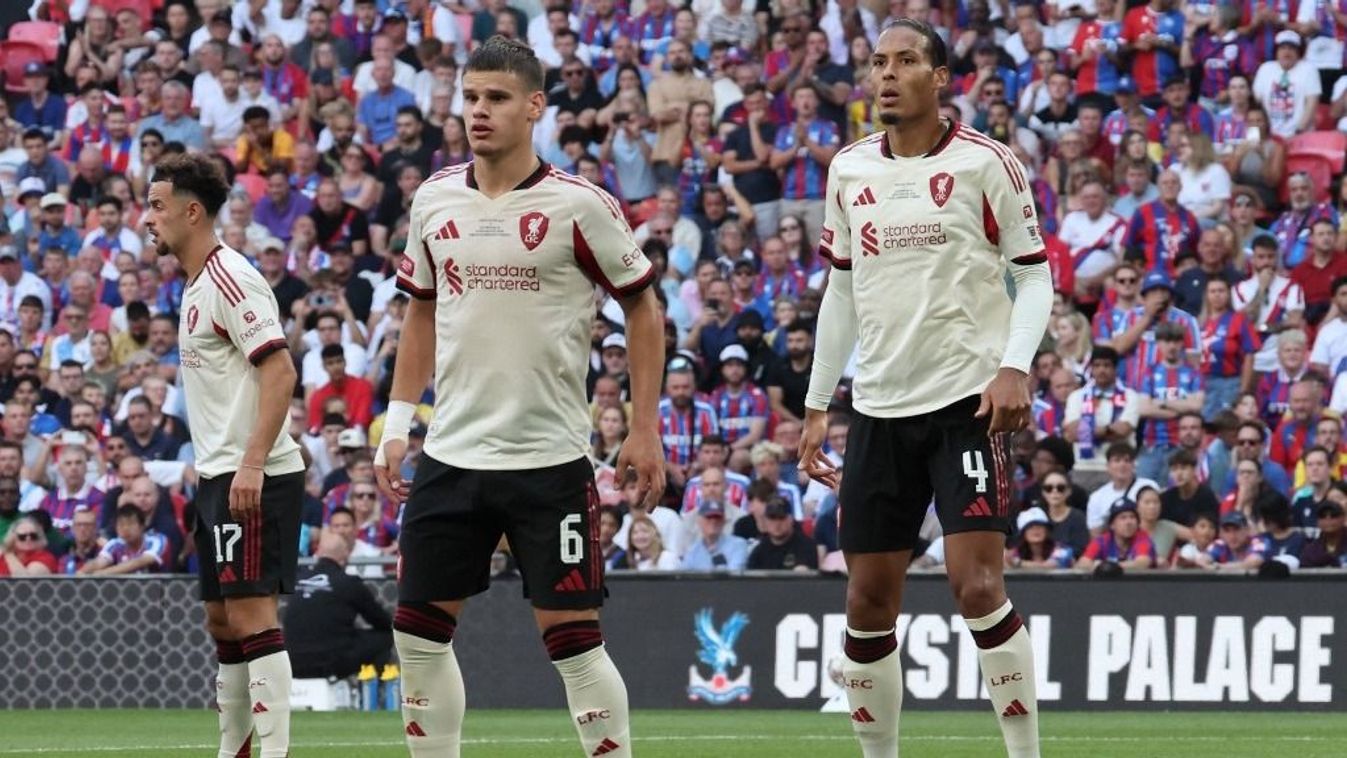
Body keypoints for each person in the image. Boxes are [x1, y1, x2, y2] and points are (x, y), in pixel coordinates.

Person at [372, 38, 666, 758]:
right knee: (417, 635)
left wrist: (643, 426)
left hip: (548, 459)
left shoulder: (578, 205)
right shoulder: (435, 199)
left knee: (572, 642)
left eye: (497, 98)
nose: (479, 111)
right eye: (470, 97)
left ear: (535, 106)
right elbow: (420, 313)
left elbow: (642, 307)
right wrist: (397, 422)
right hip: (451, 455)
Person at [797, 21, 1052, 758]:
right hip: (878, 408)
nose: (886, 74)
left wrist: (1013, 365)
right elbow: (840, 292)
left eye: (905, 61)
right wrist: (816, 405)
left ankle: (1025, 754)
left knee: (977, 587)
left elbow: (1033, 275)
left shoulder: (987, 163)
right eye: (878, 62)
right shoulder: (849, 169)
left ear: (939, 77)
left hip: (966, 405)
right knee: (866, 601)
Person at [146, 154, 306, 758]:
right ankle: (233, 748)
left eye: (157, 206)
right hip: (218, 475)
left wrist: (253, 462)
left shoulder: (231, 278)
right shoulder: (195, 284)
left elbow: (281, 370)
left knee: (252, 614)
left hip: (253, 475)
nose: (147, 218)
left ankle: (275, 753)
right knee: (221, 618)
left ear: (192, 212)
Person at [283, 530, 394, 679]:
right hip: (332, 662)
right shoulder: (348, 582)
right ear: (345, 556)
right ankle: (372, 688)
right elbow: (382, 621)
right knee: (385, 637)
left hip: (292, 662)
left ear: (318, 553)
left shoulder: (298, 580)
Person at [80, 505, 169, 575]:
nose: (125, 529)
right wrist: (80, 573)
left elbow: (139, 562)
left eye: (130, 524)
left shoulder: (156, 540)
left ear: (142, 526)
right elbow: (98, 563)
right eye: (121, 525)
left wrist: (102, 574)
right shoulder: (115, 544)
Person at [1075, 498, 1157, 571]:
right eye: (1123, 518)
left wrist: (1107, 566)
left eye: (1132, 517)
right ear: (1112, 525)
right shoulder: (1102, 540)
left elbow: (1141, 563)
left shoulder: (1142, 538)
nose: (1129, 522)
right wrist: (1105, 567)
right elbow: (1082, 563)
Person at [745, 497, 818, 571]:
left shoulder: (807, 547)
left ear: (791, 519)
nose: (777, 524)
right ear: (766, 521)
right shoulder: (759, 552)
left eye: (781, 518)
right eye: (772, 518)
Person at [1300, 500, 1347, 568]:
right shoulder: (1310, 551)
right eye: (1322, 516)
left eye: (1333, 515)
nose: (1328, 519)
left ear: (1343, 518)